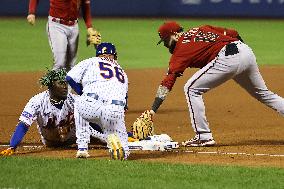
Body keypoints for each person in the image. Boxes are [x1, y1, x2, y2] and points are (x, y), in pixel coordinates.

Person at [144, 21, 284, 147]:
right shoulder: (202, 28)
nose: (165, 45)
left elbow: (168, 81)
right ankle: (203, 136)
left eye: (165, 40)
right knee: (264, 94)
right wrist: (242, 54)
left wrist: (153, 109)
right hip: (245, 51)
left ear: (174, 35)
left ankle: (203, 136)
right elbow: (233, 33)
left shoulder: (180, 49)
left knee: (191, 88)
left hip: (228, 58)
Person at [0, 69, 105, 156]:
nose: (65, 87)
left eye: (65, 83)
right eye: (60, 83)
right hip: (50, 142)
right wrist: (12, 146)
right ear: (51, 86)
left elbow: (94, 118)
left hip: (73, 138)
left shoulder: (74, 100)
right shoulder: (37, 101)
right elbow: (23, 125)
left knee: (96, 128)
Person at [66, 42, 129, 160]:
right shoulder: (122, 72)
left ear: (98, 55)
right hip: (114, 111)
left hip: (91, 106)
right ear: (114, 56)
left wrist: (81, 92)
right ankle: (119, 147)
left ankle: (83, 148)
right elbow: (125, 101)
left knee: (79, 102)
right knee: (123, 148)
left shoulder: (91, 61)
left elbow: (69, 78)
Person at [27, 0, 101, 71]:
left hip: (74, 26)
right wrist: (31, 12)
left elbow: (85, 6)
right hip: (56, 25)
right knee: (60, 63)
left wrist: (89, 27)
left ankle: (68, 84)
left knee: (71, 65)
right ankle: (53, 83)